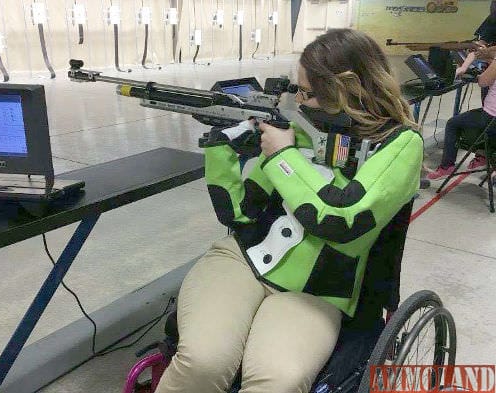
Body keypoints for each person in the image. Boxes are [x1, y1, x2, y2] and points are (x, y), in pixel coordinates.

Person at [154, 28, 423, 393]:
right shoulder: (305, 128)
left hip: (317, 292)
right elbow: (240, 214)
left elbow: (341, 219)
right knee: (203, 362)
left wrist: (282, 155)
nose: (299, 100)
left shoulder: (400, 144)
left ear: (346, 89)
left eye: (308, 93)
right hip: (241, 261)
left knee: (278, 381)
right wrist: (221, 150)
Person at [426, 49, 496, 181]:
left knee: (453, 123)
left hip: (491, 119)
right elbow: (477, 53)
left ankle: (446, 167)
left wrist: (482, 73)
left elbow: (483, 82)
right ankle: (485, 155)